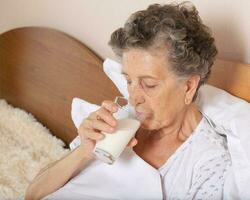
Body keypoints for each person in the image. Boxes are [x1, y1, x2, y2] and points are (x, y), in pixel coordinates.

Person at [25, 2, 232, 200]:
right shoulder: (119, 121)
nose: (133, 98)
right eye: (129, 81)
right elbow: (33, 195)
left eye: (149, 84)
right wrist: (83, 152)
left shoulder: (206, 164)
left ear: (188, 86)